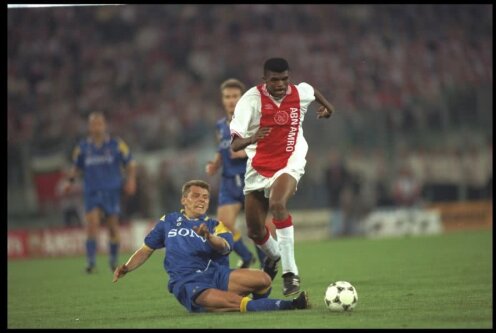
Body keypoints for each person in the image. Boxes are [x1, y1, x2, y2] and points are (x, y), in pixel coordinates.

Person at [112, 180, 310, 313]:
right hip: (187, 283)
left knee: (264, 279)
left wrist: (208, 236)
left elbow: (224, 247)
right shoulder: (168, 221)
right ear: (184, 200)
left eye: (205, 197)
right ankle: (290, 305)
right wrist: (127, 267)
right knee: (235, 303)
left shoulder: (216, 225)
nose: (201, 200)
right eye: (195, 195)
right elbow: (146, 249)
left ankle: (252, 300)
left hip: (216, 275)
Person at [230, 57, 335, 296]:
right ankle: (276, 257)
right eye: (274, 80)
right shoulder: (249, 101)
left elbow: (313, 90)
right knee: (255, 231)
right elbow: (235, 144)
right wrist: (252, 138)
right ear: (264, 80)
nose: (280, 84)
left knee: (278, 204)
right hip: (258, 165)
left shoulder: (299, 92)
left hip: (290, 159)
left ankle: (290, 274)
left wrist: (329, 108)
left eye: (285, 79)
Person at [63, 111, 137, 273]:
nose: (97, 126)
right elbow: (76, 166)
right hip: (91, 191)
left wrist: (131, 180)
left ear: (105, 125)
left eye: (99, 123)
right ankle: (90, 263)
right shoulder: (82, 147)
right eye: (93, 124)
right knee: (92, 224)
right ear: (89, 127)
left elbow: (130, 163)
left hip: (112, 190)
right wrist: (69, 181)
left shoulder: (116, 144)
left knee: (112, 227)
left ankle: (113, 261)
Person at [205, 78, 266, 269]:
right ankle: (246, 257)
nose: (231, 100)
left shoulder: (252, 121)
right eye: (227, 96)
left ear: (242, 98)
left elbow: (265, 147)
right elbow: (222, 147)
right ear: (222, 99)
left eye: (235, 96)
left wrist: (245, 151)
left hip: (250, 178)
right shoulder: (220, 125)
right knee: (224, 224)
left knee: (256, 228)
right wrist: (215, 163)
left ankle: (266, 266)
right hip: (229, 181)